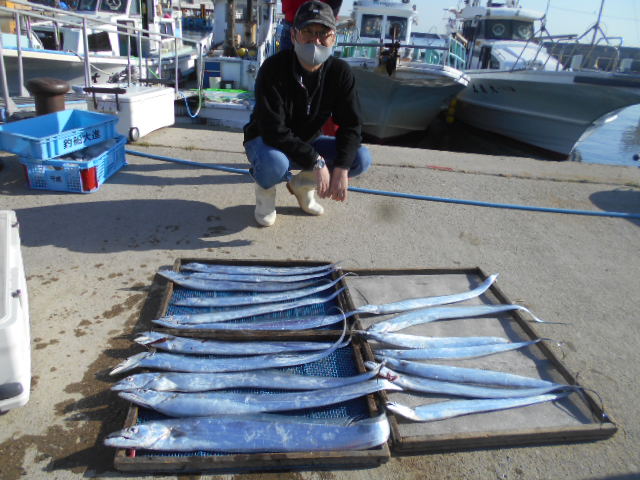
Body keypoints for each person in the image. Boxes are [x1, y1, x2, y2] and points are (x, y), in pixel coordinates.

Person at [243, 0, 372, 227]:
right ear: (293, 36)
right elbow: (272, 129)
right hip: (266, 141)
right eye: (308, 32)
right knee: (275, 163)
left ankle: (303, 185)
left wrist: (341, 168)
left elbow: (351, 125)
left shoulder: (340, 72)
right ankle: (265, 193)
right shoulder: (273, 68)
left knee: (360, 158)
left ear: (334, 38)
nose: (316, 40)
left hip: (308, 141)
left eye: (323, 33)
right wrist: (316, 161)